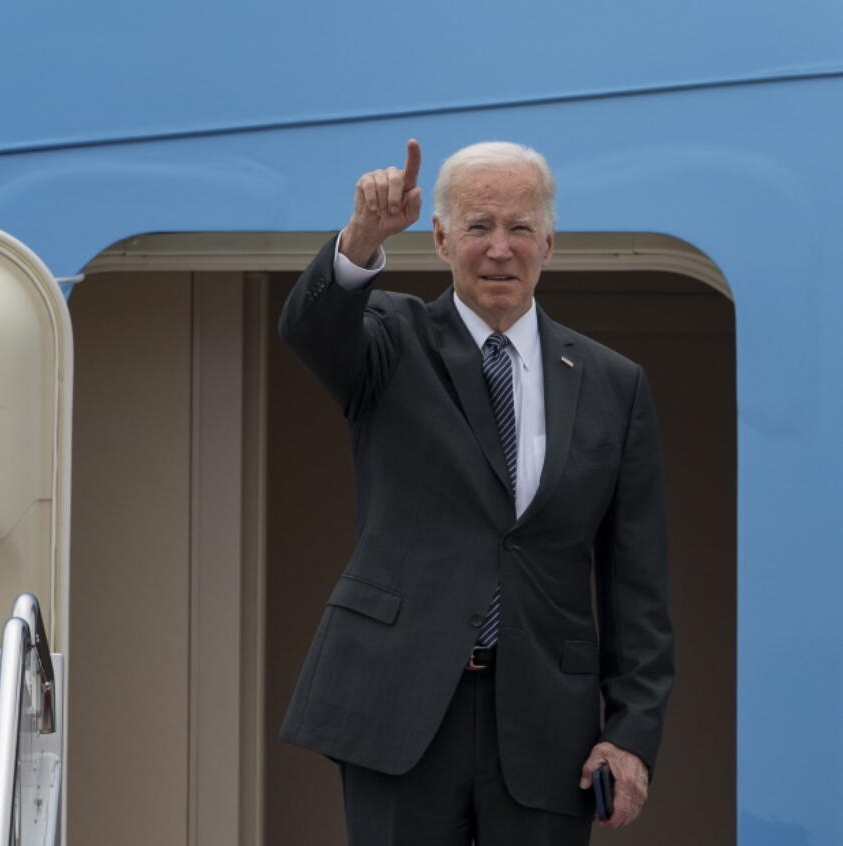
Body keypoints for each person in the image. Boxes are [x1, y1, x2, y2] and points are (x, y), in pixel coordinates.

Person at [278, 139, 674, 845]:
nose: (499, 249)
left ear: (548, 243)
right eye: (478, 227)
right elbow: (312, 329)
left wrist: (633, 733)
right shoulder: (390, 340)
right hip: (400, 707)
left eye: (519, 228)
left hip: (548, 722)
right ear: (438, 239)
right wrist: (362, 238)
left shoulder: (615, 384)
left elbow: (636, 583)